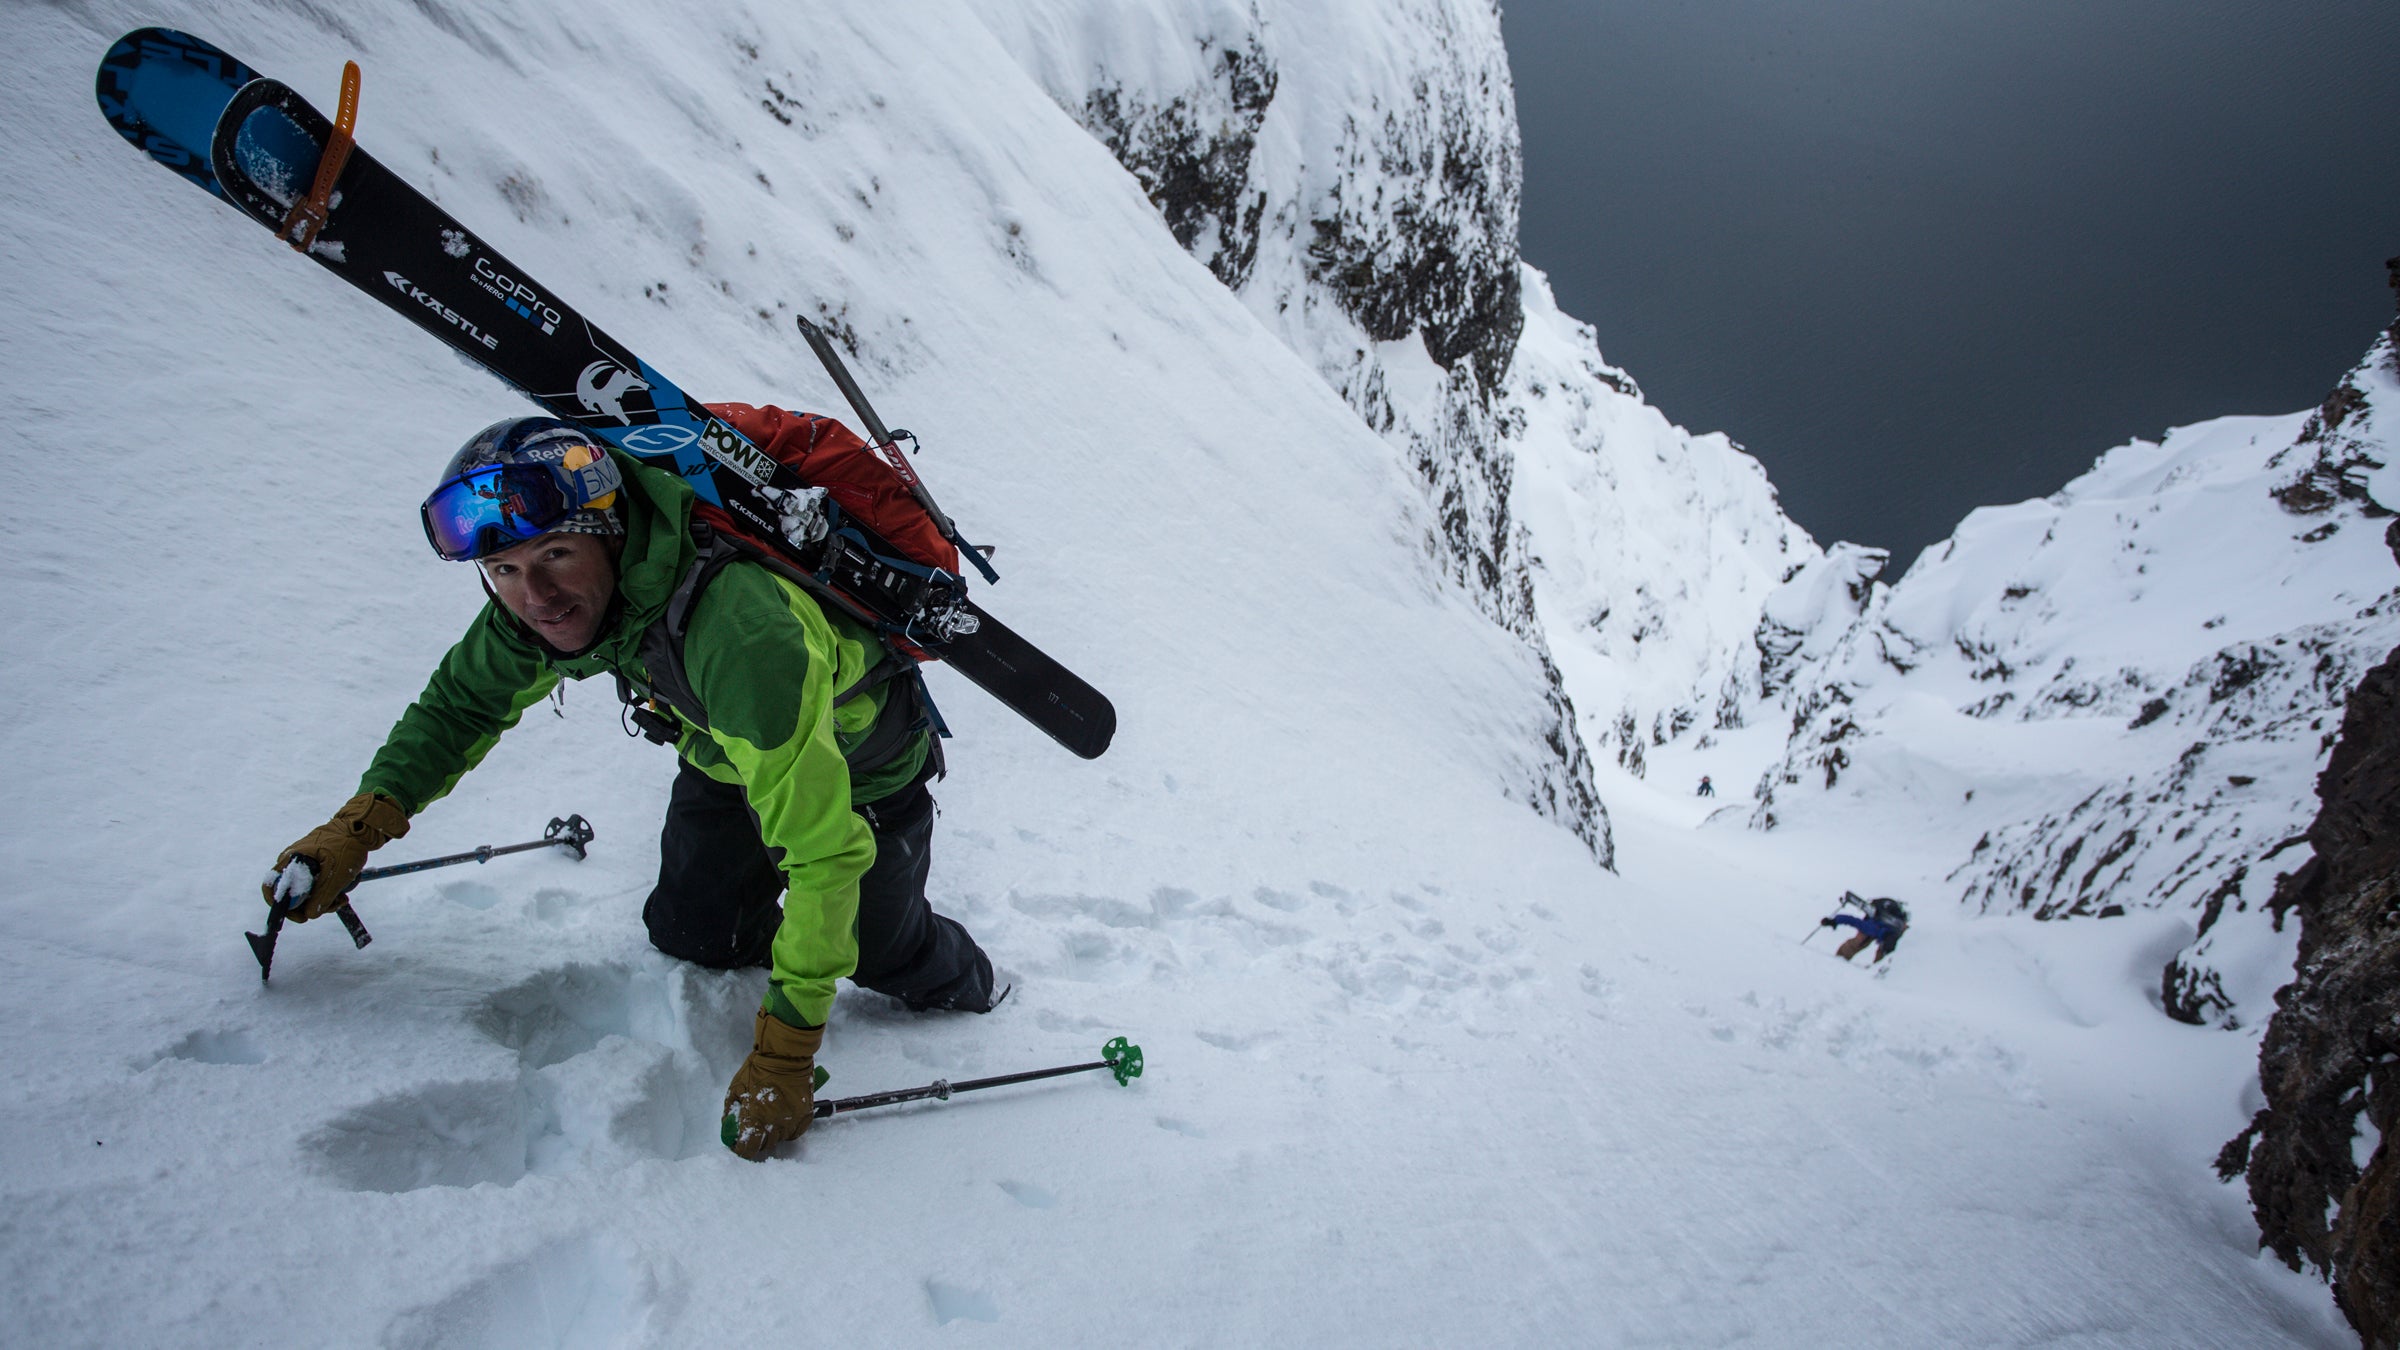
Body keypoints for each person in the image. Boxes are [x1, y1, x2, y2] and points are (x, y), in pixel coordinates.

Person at [261, 412, 1000, 1162]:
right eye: (504, 571)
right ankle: (793, 931)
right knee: (690, 934)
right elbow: (461, 704)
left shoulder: (740, 630)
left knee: (880, 950)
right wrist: (357, 826)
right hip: (724, 761)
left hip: (861, 772)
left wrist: (788, 1047)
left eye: (554, 554)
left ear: (611, 532)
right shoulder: (552, 608)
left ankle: (975, 983)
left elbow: (824, 853)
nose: (536, 595)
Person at [1820, 892, 1909, 963]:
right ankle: (1841, 959)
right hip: (1887, 924)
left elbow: (1853, 921)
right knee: (1859, 943)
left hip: (1890, 927)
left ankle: (1840, 959)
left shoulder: (1874, 930)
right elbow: (1853, 921)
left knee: (1860, 943)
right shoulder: (1872, 927)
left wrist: (1834, 921)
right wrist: (1834, 921)